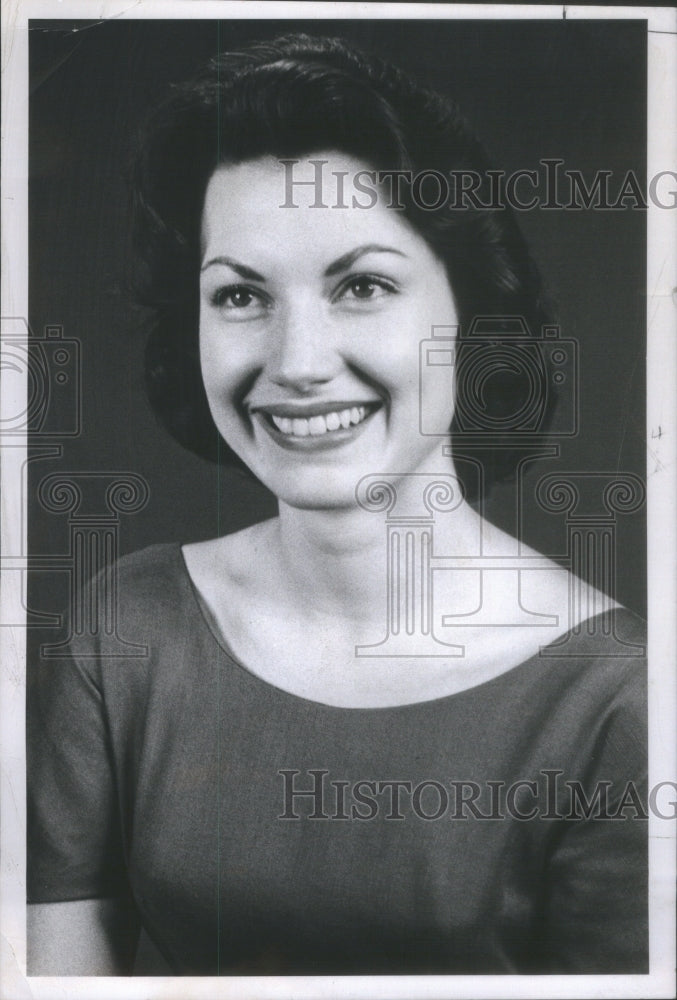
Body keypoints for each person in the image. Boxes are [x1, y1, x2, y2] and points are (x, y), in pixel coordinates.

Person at [27, 32, 647, 976]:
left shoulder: (615, 697)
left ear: (473, 317)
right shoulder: (122, 634)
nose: (298, 362)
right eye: (238, 296)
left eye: (361, 286)